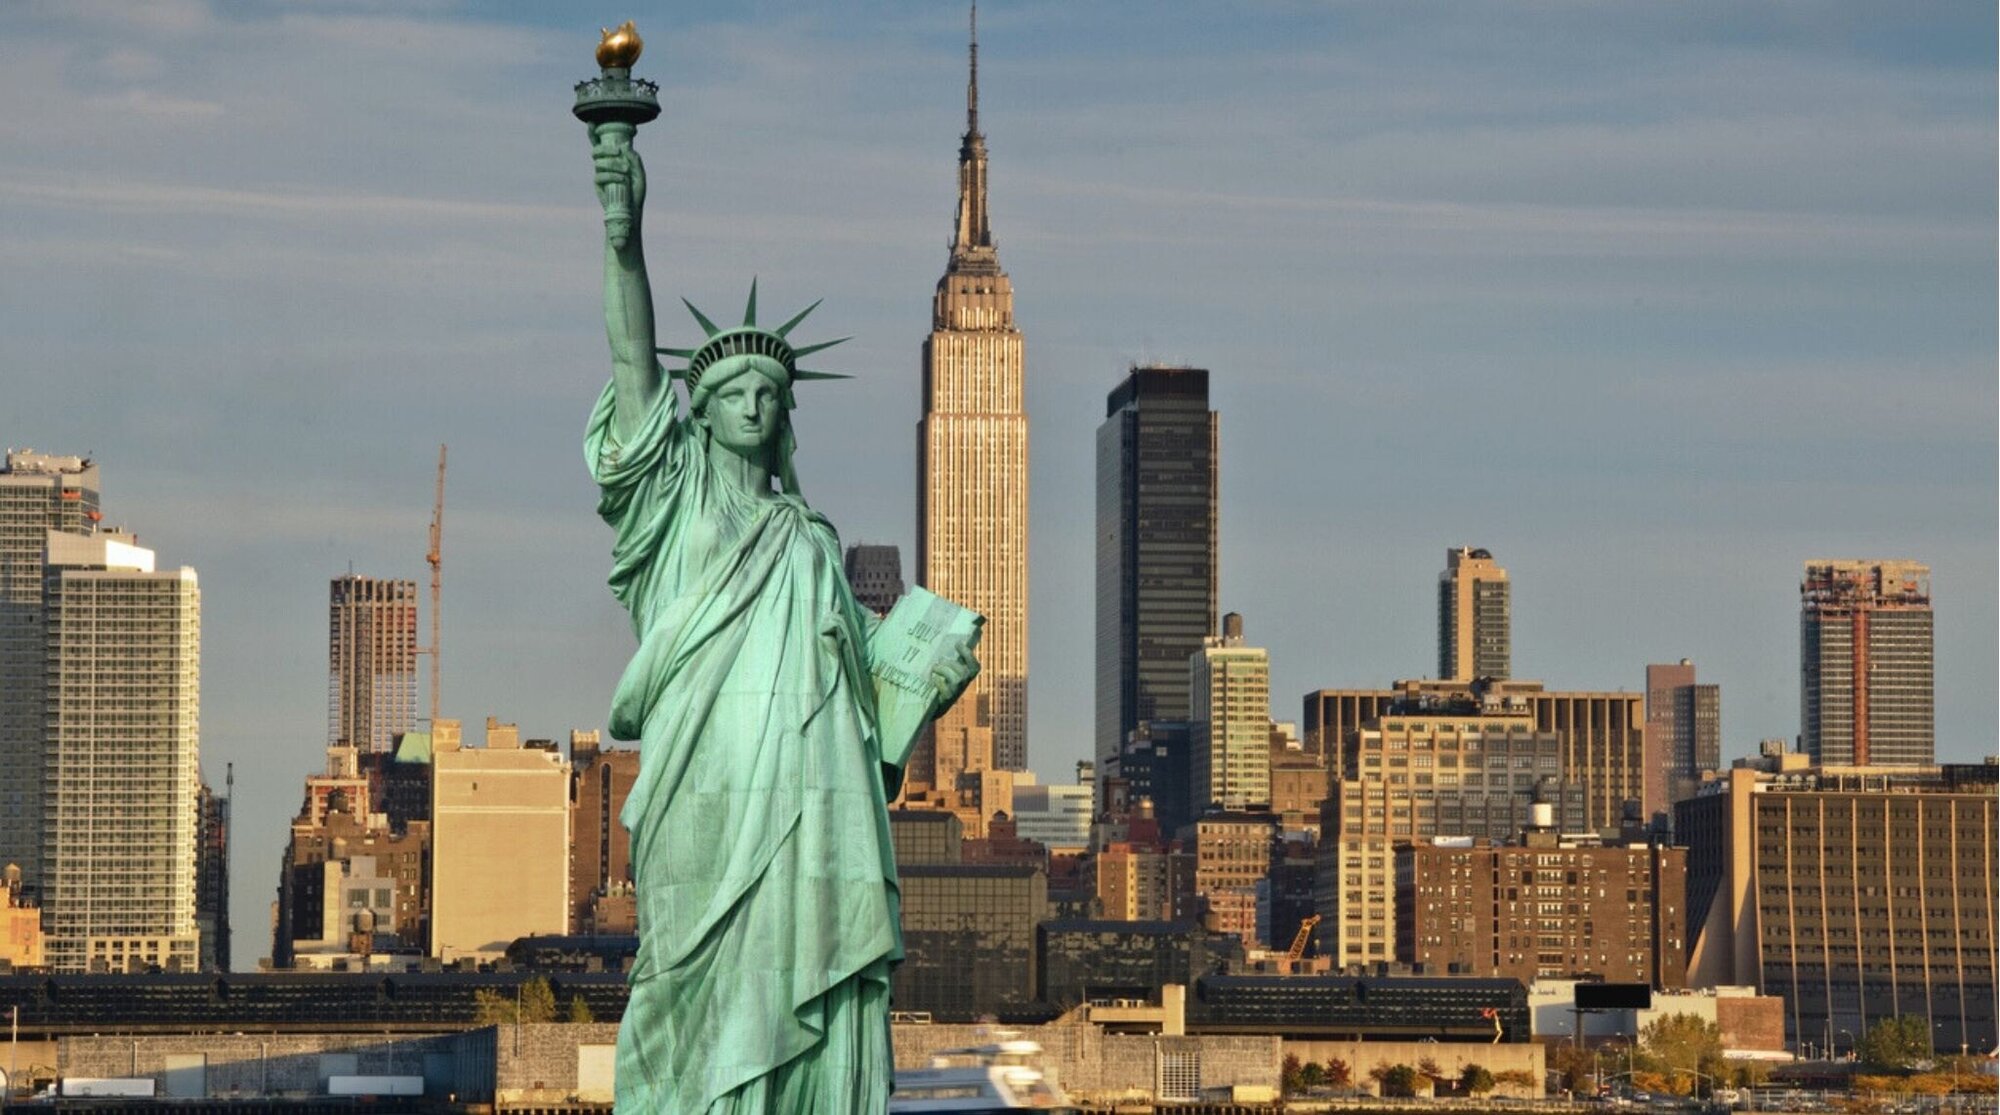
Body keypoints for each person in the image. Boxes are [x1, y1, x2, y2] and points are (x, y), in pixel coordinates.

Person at [583, 123, 979, 1112]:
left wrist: (920, 670)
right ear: (703, 409)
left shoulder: (808, 535)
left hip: (811, 802)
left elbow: (857, 699)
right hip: (701, 791)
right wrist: (622, 231)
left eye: (769, 390)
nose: (754, 403)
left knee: (812, 997)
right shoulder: (669, 509)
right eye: (732, 390)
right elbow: (635, 368)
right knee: (680, 987)